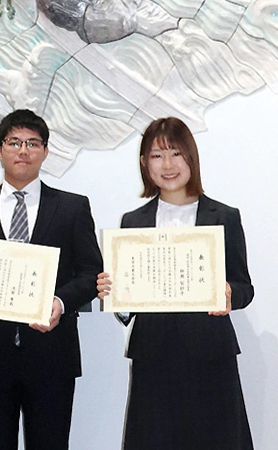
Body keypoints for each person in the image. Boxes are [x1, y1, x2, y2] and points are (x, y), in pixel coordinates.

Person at [0, 109, 103, 449]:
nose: (22, 151)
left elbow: (90, 275)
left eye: (32, 143)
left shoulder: (72, 208)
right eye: (14, 142)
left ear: (45, 151)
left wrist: (58, 302)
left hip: (52, 355)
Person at [97, 117, 254, 450]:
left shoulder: (223, 216)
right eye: (156, 156)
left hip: (210, 353)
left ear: (191, 159)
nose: (167, 165)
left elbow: (244, 286)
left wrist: (229, 293)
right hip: (153, 353)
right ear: (144, 163)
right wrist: (114, 296)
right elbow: (126, 308)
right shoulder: (132, 222)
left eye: (176, 154)